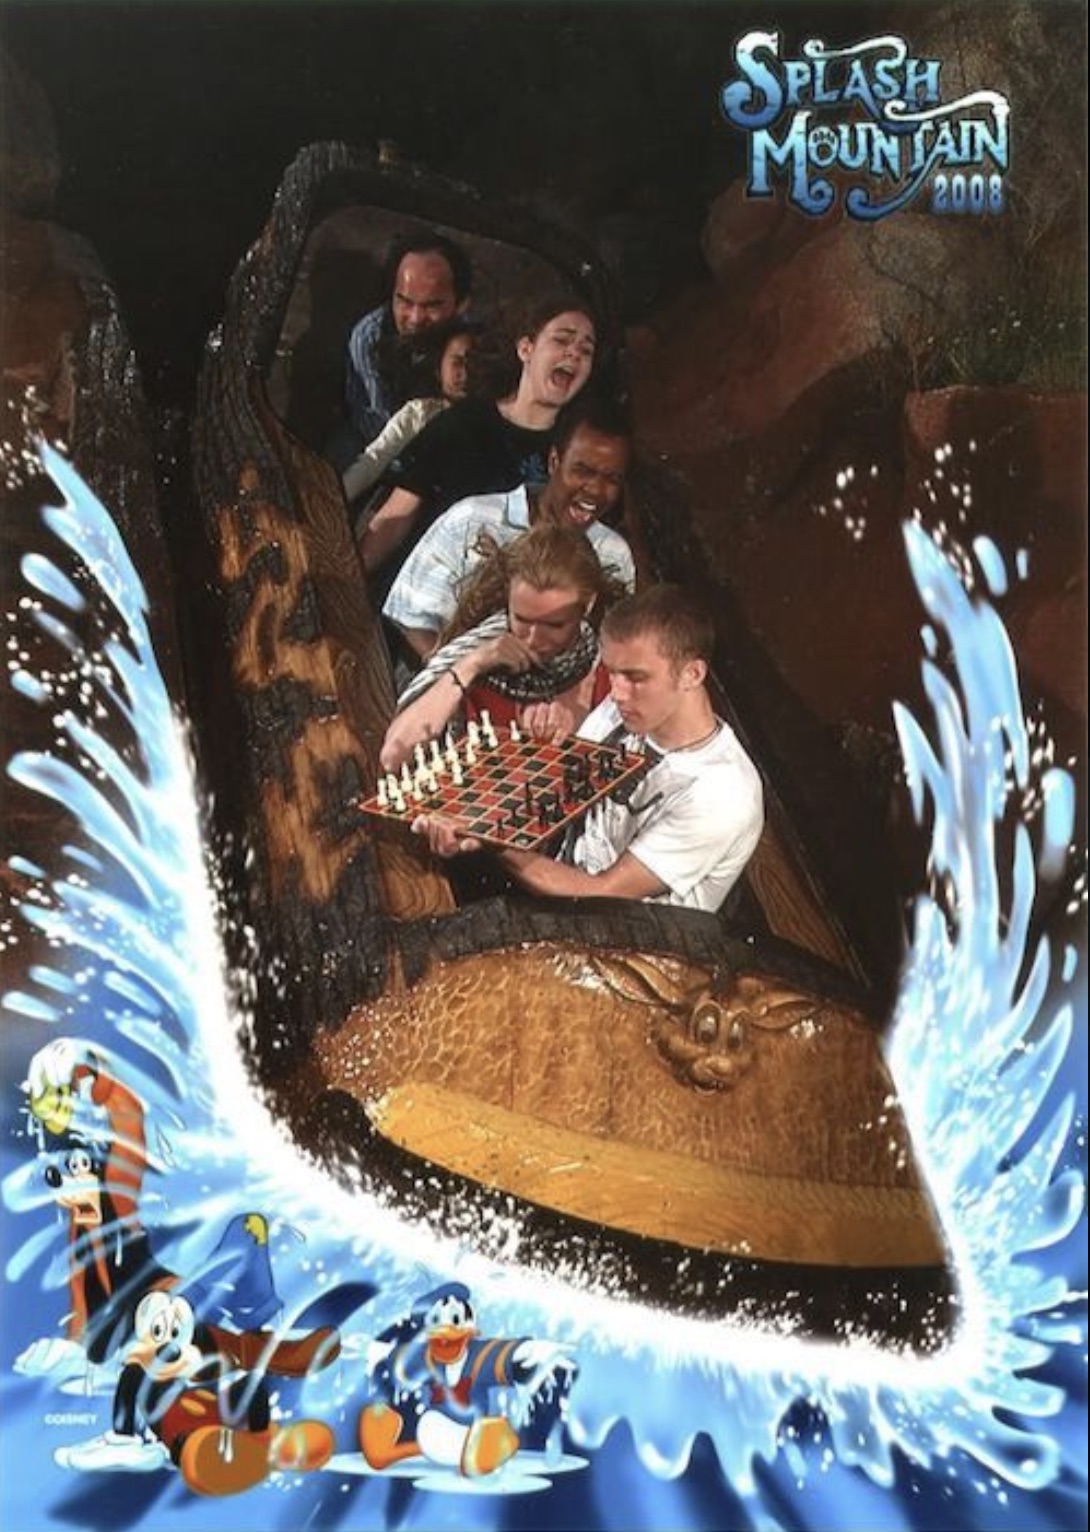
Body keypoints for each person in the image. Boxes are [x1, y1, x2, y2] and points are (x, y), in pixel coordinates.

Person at [412, 584, 765, 914]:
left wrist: (494, 841)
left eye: (636, 677)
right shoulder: (623, 710)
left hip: (622, 946)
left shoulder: (722, 794)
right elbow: (561, 795)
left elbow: (604, 894)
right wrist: (478, 828)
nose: (618, 692)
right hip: (556, 891)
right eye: (611, 672)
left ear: (692, 674)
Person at [358, 295, 599, 578]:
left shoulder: (577, 450)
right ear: (526, 349)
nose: (575, 353)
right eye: (562, 340)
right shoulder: (462, 423)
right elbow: (396, 517)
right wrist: (347, 588)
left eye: (586, 349)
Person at [382, 397, 637, 658]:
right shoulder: (473, 519)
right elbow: (410, 616)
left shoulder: (614, 554)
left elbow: (612, 648)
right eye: (583, 470)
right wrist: (463, 678)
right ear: (553, 461)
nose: (595, 489)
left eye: (612, 479)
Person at [380, 524, 622, 774]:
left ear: (588, 604)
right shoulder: (479, 657)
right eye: (522, 619)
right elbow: (393, 757)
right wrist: (469, 666)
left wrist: (578, 729)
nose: (533, 638)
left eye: (554, 625)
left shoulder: (614, 663)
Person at [343, 230, 473, 454]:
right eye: (404, 302)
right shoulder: (369, 337)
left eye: (431, 306)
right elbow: (383, 435)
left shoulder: (475, 342)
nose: (415, 319)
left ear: (461, 304)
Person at [342, 317, 481, 512]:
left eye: (475, 363)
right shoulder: (420, 413)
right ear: (438, 369)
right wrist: (335, 500)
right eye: (457, 363)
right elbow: (375, 459)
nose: (465, 374)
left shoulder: (492, 421)